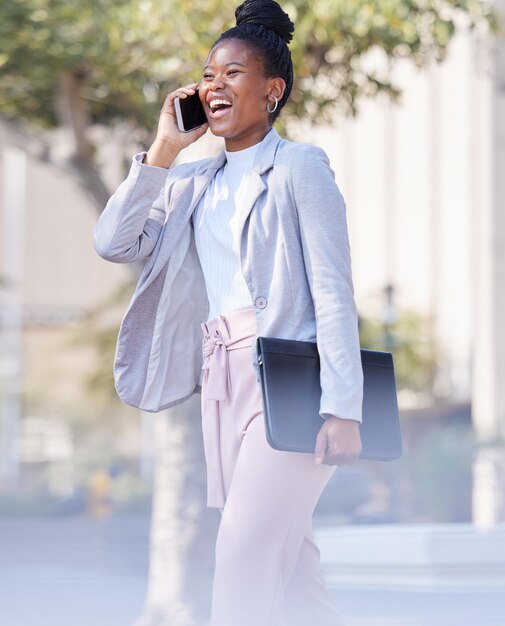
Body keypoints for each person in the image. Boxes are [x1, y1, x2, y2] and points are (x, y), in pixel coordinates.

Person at [94, 1, 364, 624]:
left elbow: (333, 292)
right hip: (222, 382)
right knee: (292, 572)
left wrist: (343, 407)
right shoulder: (191, 182)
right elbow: (114, 242)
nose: (214, 87)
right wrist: (164, 146)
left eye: (233, 74)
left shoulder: (301, 168)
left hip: (290, 381)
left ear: (272, 89)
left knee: (243, 548)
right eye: (208, 75)